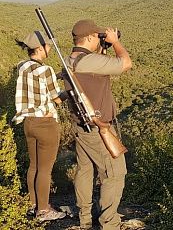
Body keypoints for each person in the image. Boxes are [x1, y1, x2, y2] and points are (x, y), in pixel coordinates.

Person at [64, 19, 132, 230]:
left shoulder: (70, 59)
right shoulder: (88, 61)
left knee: (85, 170)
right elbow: (125, 63)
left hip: (81, 126)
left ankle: (85, 219)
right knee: (115, 173)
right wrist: (116, 43)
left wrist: (103, 49)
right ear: (91, 37)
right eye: (99, 37)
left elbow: (94, 71)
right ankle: (109, 223)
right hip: (97, 127)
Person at [12, 31, 67, 222]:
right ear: (40, 48)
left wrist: (56, 77)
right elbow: (57, 100)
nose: (50, 48)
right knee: (45, 169)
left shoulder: (22, 66)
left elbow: (36, 85)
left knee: (34, 166)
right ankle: (44, 211)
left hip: (29, 122)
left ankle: (34, 205)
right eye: (48, 45)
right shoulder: (46, 70)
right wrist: (69, 90)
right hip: (46, 123)